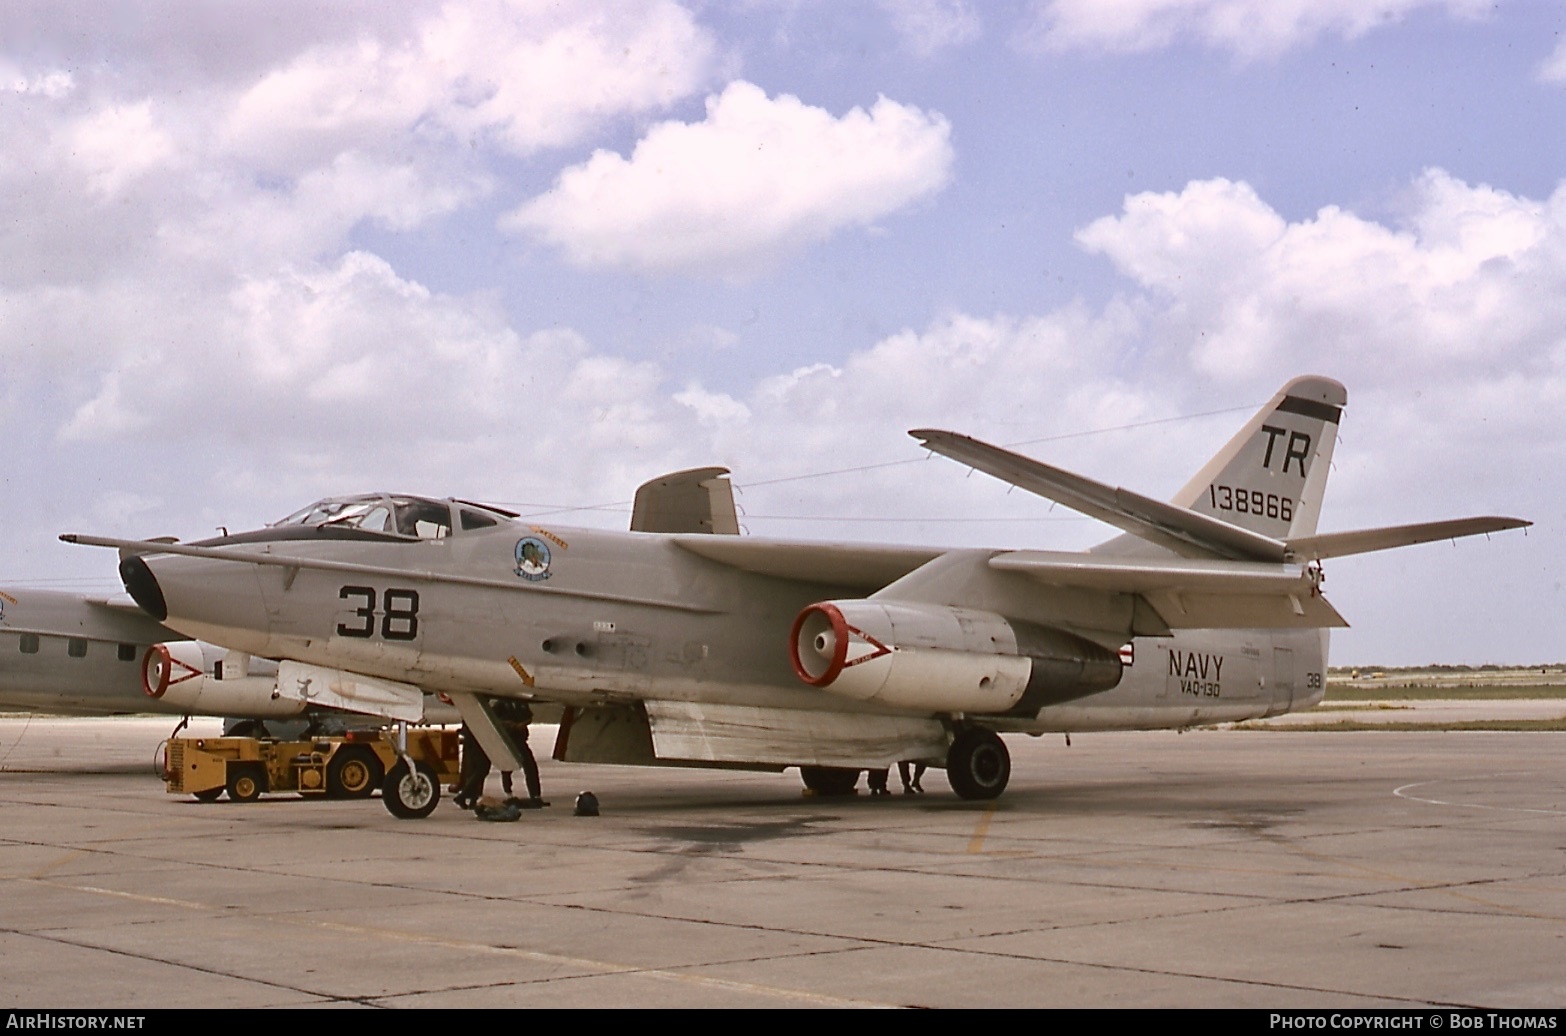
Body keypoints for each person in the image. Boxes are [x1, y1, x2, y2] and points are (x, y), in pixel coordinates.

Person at [495, 700, 545, 806]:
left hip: (520, 739)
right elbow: (495, 720)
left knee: (530, 765)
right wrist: (510, 725)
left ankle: (535, 794)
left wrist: (522, 724)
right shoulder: (501, 704)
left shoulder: (521, 703)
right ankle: (508, 793)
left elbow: (529, 717)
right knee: (507, 767)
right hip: (508, 739)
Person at [453, 722, 491, 810]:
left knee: (475, 770)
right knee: (483, 768)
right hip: (478, 737)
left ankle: (472, 800)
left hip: (472, 736)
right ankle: (463, 796)